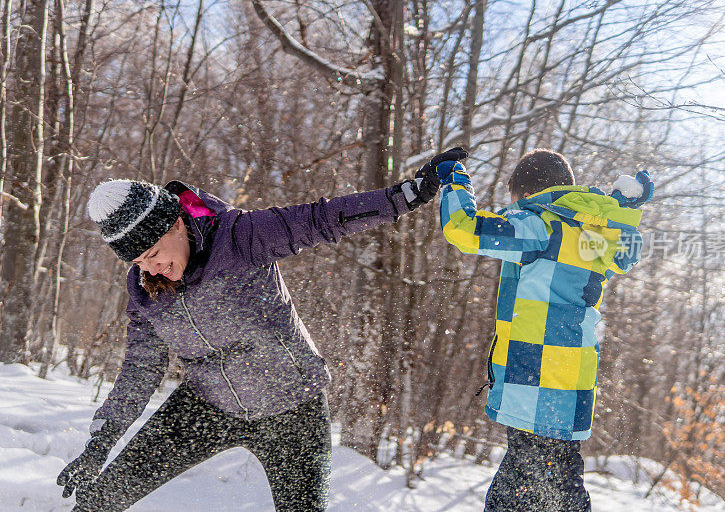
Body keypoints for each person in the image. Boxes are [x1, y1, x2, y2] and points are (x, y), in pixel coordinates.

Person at [57, 149, 465, 511]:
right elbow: (139, 370)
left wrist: (408, 194)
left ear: (176, 226)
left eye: (152, 254)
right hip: (208, 405)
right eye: (138, 262)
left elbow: (322, 219)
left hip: (292, 407)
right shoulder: (145, 292)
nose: (148, 268)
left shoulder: (240, 238)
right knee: (98, 503)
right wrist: (102, 441)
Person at [423, 148, 653, 511]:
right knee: (536, 486)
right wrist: (621, 208)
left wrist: (457, 181)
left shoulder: (540, 226)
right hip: (571, 381)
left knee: (551, 490)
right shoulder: (592, 235)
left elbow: (463, 228)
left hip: (536, 379)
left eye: (515, 201)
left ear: (527, 194)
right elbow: (625, 250)